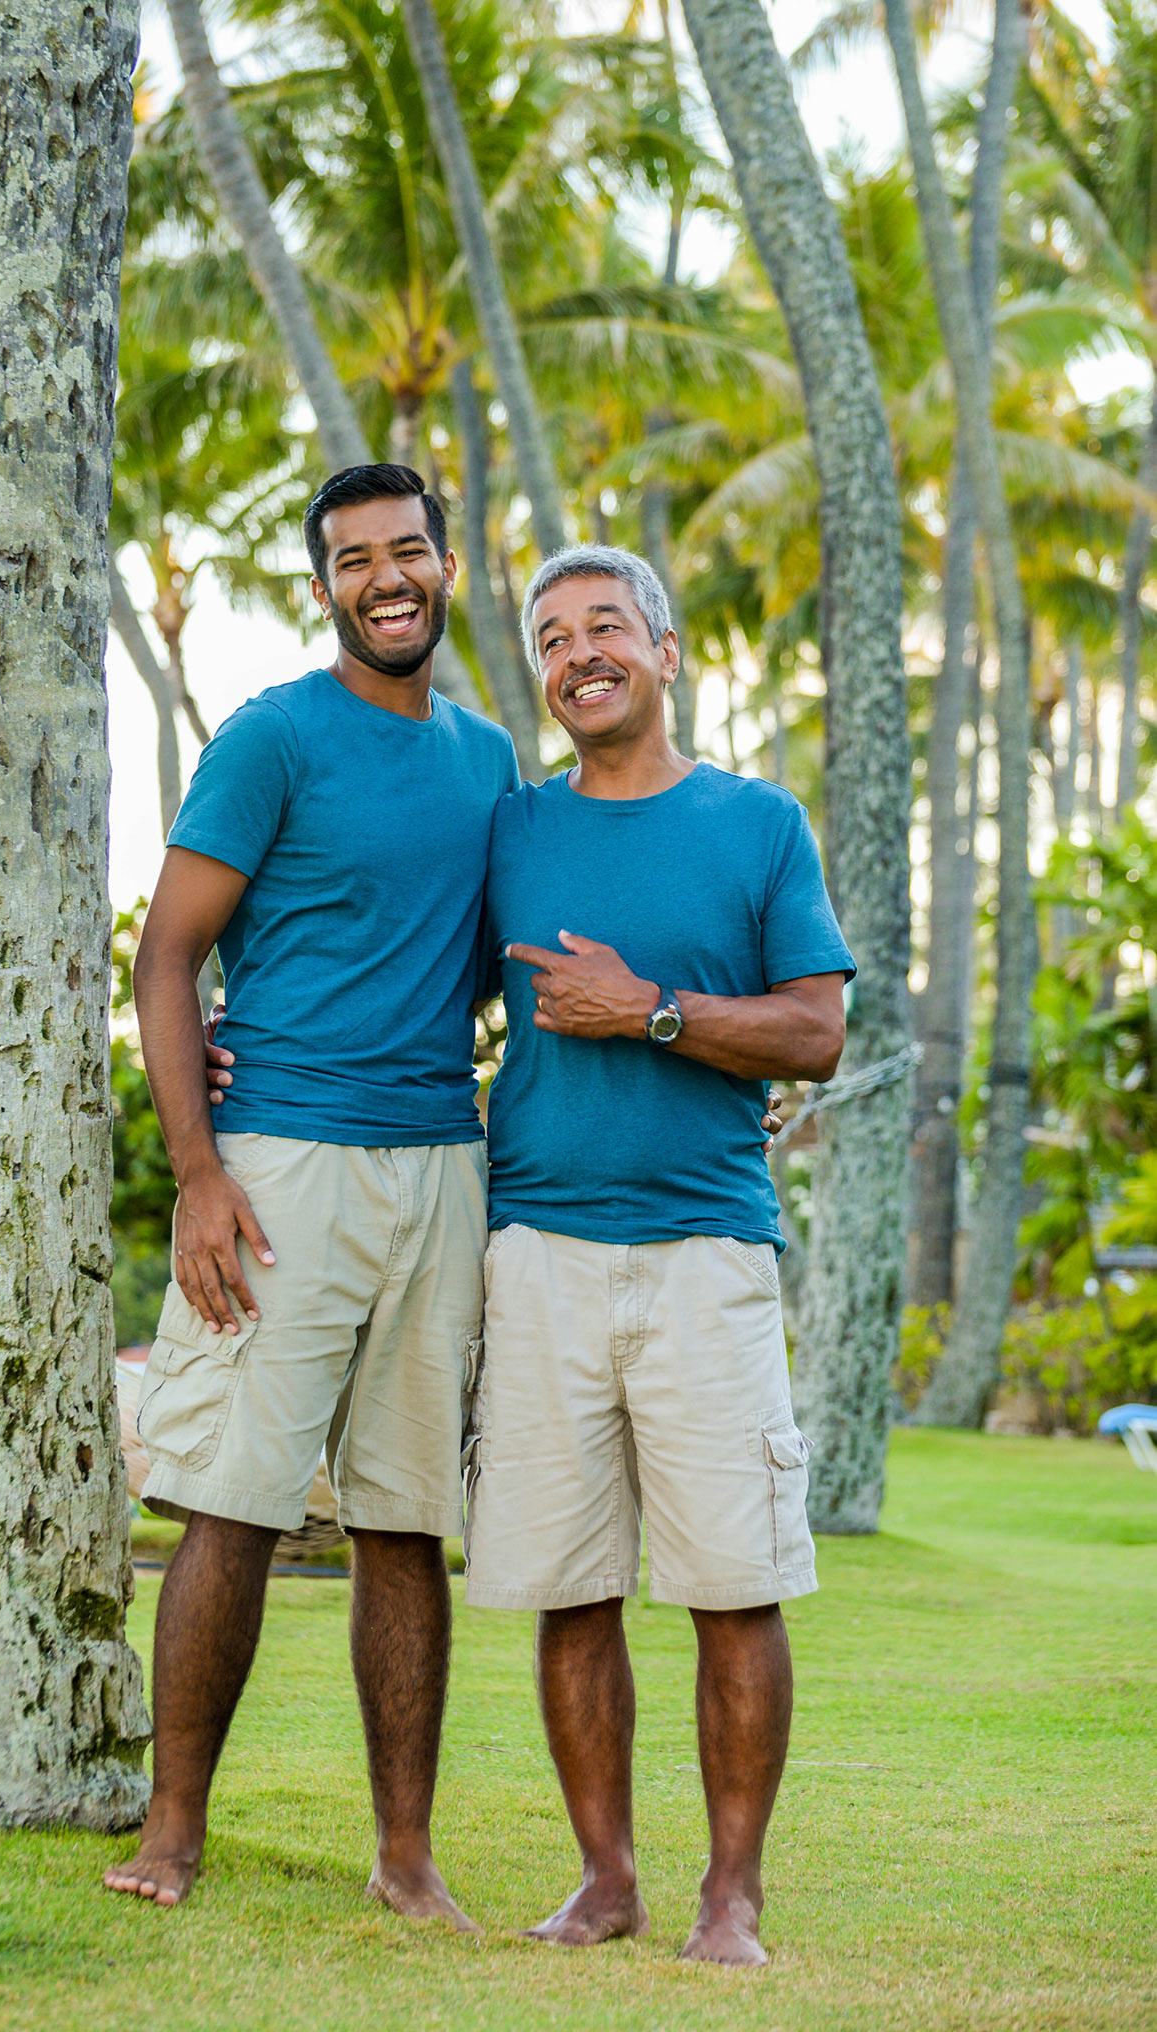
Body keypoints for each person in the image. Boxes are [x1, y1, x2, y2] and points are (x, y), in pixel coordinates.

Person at [103, 463, 517, 1926]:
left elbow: (495, 964)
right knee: (232, 1504)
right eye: (356, 560)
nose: (386, 578)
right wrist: (199, 1173)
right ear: (327, 587)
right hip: (279, 1171)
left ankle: (406, 1858)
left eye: (410, 551)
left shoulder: (489, 762)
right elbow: (169, 957)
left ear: (448, 567)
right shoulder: (273, 738)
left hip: (440, 1167)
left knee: (408, 1520)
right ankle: (173, 1829)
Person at [465, 543, 854, 1963]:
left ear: (669, 651)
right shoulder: (511, 830)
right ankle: (608, 1879)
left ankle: (731, 1896)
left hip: (706, 1259)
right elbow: (413, 980)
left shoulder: (759, 826)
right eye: (553, 635)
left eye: (607, 626)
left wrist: (654, 1014)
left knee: (731, 1584)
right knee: (571, 1587)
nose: (580, 653)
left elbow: (816, 1030)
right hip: (539, 1257)